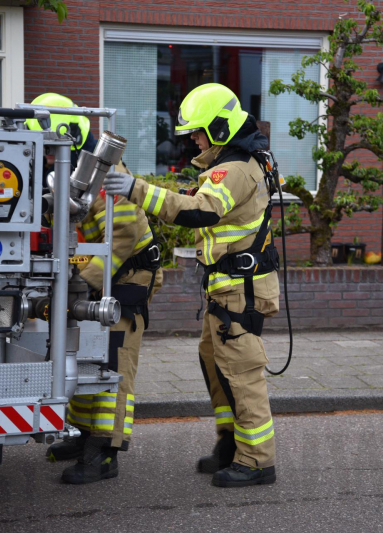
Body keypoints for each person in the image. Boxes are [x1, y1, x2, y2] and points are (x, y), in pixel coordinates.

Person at [104, 83, 280, 488]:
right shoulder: (237, 161)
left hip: (240, 288)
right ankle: (231, 445)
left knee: (241, 372)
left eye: (200, 132)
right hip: (230, 287)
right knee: (214, 363)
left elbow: (201, 212)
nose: (195, 140)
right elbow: (215, 204)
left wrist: (137, 190)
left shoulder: (234, 168)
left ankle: (256, 461)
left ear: (219, 127)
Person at [29, 95, 163, 485]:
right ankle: (84, 436)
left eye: (51, 147)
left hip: (125, 283)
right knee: (86, 359)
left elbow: (120, 238)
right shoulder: (75, 171)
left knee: (113, 367)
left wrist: (78, 285)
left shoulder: (106, 174)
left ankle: (105, 453)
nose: (48, 158)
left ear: (67, 137)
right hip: (98, 280)